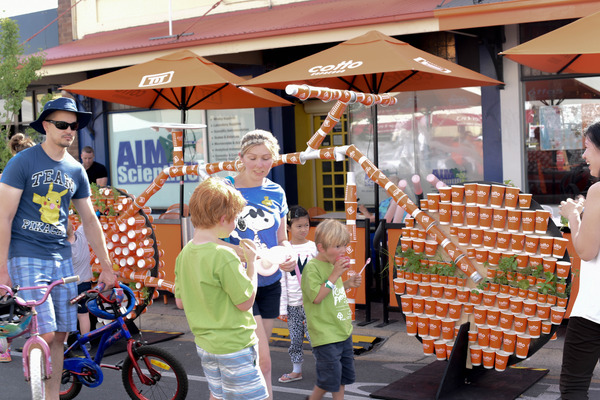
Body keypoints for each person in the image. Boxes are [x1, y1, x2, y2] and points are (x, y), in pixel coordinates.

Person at [0, 97, 116, 400]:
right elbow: (4, 216)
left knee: (62, 334)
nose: (69, 130)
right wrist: (2, 268)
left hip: (61, 258)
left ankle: (51, 396)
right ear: (46, 126)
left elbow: (89, 220)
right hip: (25, 254)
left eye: (74, 125)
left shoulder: (76, 169)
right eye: (63, 124)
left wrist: (106, 265)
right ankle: (34, 369)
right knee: (47, 331)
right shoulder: (22, 162)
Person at [174, 177, 268, 400]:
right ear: (224, 218)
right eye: (235, 217)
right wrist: (251, 264)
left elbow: (180, 302)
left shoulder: (184, 253)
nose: (236, 222)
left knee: (218, 395)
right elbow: (245, 302)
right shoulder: (223, 256)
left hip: (206, 346)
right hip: (234, 345)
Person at [223, 129, 296, 400]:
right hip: (239, 282)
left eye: (266, 158)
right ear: (241, 158)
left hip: (270, 282)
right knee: (262, 360)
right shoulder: (226, 188)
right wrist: (242, 253)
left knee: (254, 358)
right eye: (252, 158)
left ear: (274, 159)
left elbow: (282, 239)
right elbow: (209, 239)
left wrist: (287, 256)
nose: (259, 164)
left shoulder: (276, 191)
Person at [558, 121, 600, 400]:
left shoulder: (598, 191)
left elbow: (586, 251)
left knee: (573, 389)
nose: (584, 156)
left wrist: (573, 216)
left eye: (587, 148)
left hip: (594, 310)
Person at [301, 219, 362, 400]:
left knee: (341, 376)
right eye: (337, 246)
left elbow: (332, 289)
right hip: (325, 333)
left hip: (342, 330)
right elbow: (318, 297)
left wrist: (348, 283)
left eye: (344, 245)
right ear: (321, 247)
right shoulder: (312, 268)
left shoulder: (331, 264)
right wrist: (335, 274)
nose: (343, 250)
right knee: (329, 378)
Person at [0, 133, 35, 362]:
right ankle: (35, 344)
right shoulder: (33, 179)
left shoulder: (7, 176)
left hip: (9, 246)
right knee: (32, 300)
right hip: (28, 246)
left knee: (6, 298)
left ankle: (4, 348)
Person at [278, 205, 316, 384]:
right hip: (292, 305)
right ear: (288, 227)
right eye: (298, 226)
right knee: (295, 340)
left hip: (311, 303)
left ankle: (325, 369)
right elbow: (282, 281)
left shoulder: (314, 248)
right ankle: (296, 370)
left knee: (315, 338)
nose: (303, 229)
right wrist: (282, 307)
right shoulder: (285, 250)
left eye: (306, 225)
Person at [66, 221, 93, 340]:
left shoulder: (65, 248)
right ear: (73, 227)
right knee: (83, 314)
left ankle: (64, 343)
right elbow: (87, 221)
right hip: (85, 282)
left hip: (70, 285)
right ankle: (85, 341)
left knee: (66, 315)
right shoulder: (81, 234)